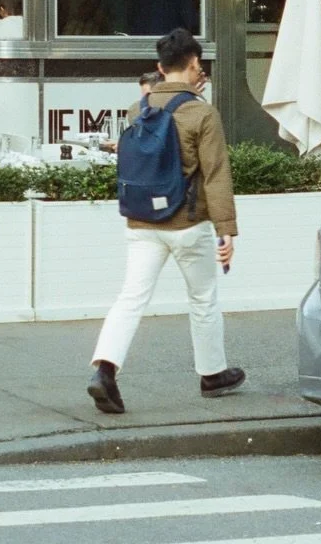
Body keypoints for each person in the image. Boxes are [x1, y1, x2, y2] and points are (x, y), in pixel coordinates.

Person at [87, 28, 244, 414]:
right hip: (187, 225)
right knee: (203, 298)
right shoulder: (201, 113)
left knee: (131, 297)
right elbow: (216, 175)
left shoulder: (137, 109)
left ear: (159, 68)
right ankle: (211, 373)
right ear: (195, 65)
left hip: (142, 224)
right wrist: (226, 230)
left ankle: (104, 370)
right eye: (197, 66)